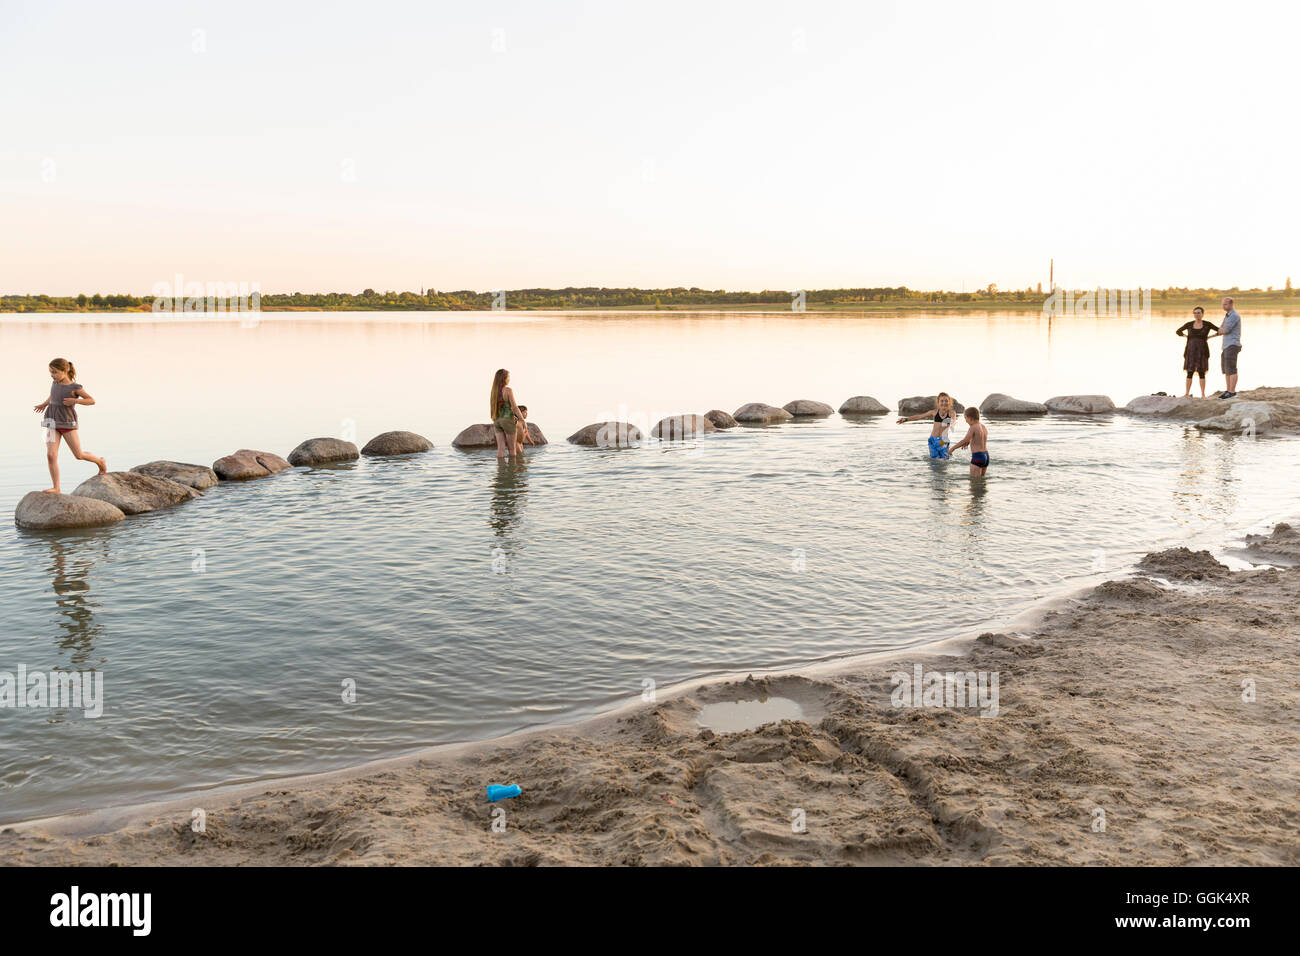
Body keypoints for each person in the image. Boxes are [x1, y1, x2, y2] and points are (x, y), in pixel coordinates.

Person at [33, 357, 107, 493]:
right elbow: (52, 396)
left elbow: (91, 400)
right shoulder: (54, 383)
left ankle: (100, 462)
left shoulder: (75, 387)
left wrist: (75, 400)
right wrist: (44, 404)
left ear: (65, 370)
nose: (52, 375)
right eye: (50, 372)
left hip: (67, 422)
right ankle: (56, 487)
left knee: (78, 455)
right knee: (51, 455)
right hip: (50, 420)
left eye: (55, 372)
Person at [896, 391, 956, 459]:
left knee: (944, 460)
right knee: (934, 460)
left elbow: (953, 422)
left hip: (943, 441)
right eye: (942, 401)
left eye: (946, 401)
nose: (944, 403)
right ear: (938, 402)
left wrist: (951, 425)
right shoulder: (934, 412)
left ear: (949, 402)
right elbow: (919, 416)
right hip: (933, 440)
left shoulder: (951, 413)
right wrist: (906, 419)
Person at [1175, 307, 1219, 397]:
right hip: (1190, 351)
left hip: (1202, 351)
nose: (1197, 315)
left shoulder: (1207, 324)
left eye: (1199, 313)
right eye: (1195, 313)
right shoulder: (1189, 324)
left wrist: (1210, 337)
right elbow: (1178, 331)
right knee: (1189, 372)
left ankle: (1203, 394)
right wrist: (1186, 336)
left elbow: (1220, 330)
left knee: (1201, 372)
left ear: (1202, 314)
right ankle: (1187, 393)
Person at [489, 368, 525, 459]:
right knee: (512, 449)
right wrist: (522, 419)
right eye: (508, 377)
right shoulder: (508, 390)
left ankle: (500, 472)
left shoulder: (494, 391)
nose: (509, 379)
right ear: (504, 378)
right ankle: (512, 472)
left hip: (497, 420)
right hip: (508, 420)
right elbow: (515, 407)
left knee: (501, 449)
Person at [948, 406, 989, 477]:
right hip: (986, 456)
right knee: (982, 483)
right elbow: (978, 439)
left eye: (965, 418)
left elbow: (964, 440)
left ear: (970, 418)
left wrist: (952, 449)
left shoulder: (973, 427)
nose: (966, 421)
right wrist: (969, 442)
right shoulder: (983, 427)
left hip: (977, 457)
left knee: (974, 484)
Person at [1218, 297, 1242, 398]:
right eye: (1223, 304)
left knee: (1231, 368)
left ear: (1232, 304)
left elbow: (1225, 330)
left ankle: (1232, 392)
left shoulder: (1234, 316)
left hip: (1232, 344)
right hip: (1226, 345)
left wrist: (1221, 329)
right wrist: (1221, 329)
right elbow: (1220, 328)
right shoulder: (1227, 316)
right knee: (1226, 369)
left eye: (1226, 304)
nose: (1224, 306)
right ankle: (1228, 390)